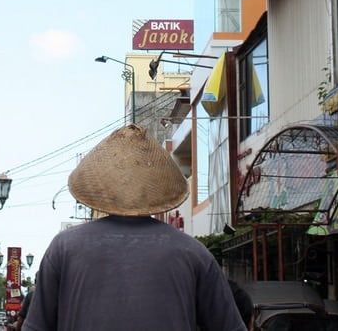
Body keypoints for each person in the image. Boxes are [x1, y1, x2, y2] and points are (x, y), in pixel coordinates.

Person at [22, 125, 247, 331]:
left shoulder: (63, 247)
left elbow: (36, 326)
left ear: (102, 186)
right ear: (156, 187)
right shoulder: (194, 252)